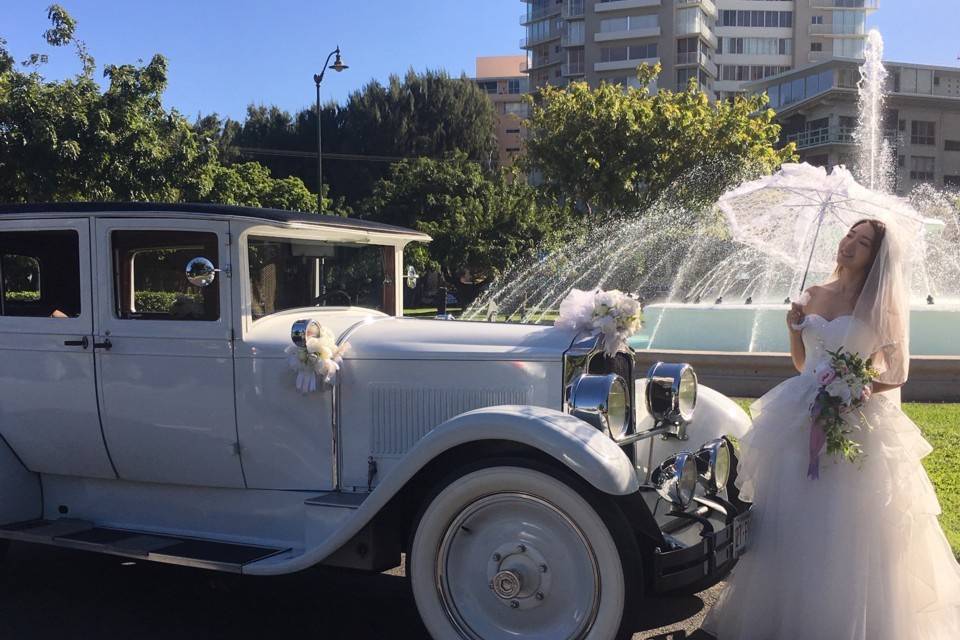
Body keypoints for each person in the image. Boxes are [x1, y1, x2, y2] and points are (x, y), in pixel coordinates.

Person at [702, 218, 960, 639]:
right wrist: (793, 330)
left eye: (863, 243)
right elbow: (803, 365)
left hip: (857, 421)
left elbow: (897, 373)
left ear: (875, 258)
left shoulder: (880, 307)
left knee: (849, 521)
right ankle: (790, 614)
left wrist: (857, 389)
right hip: (800, 414)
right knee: (792, 513)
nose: (850, 246)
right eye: (849, 236)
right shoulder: (814, 294)